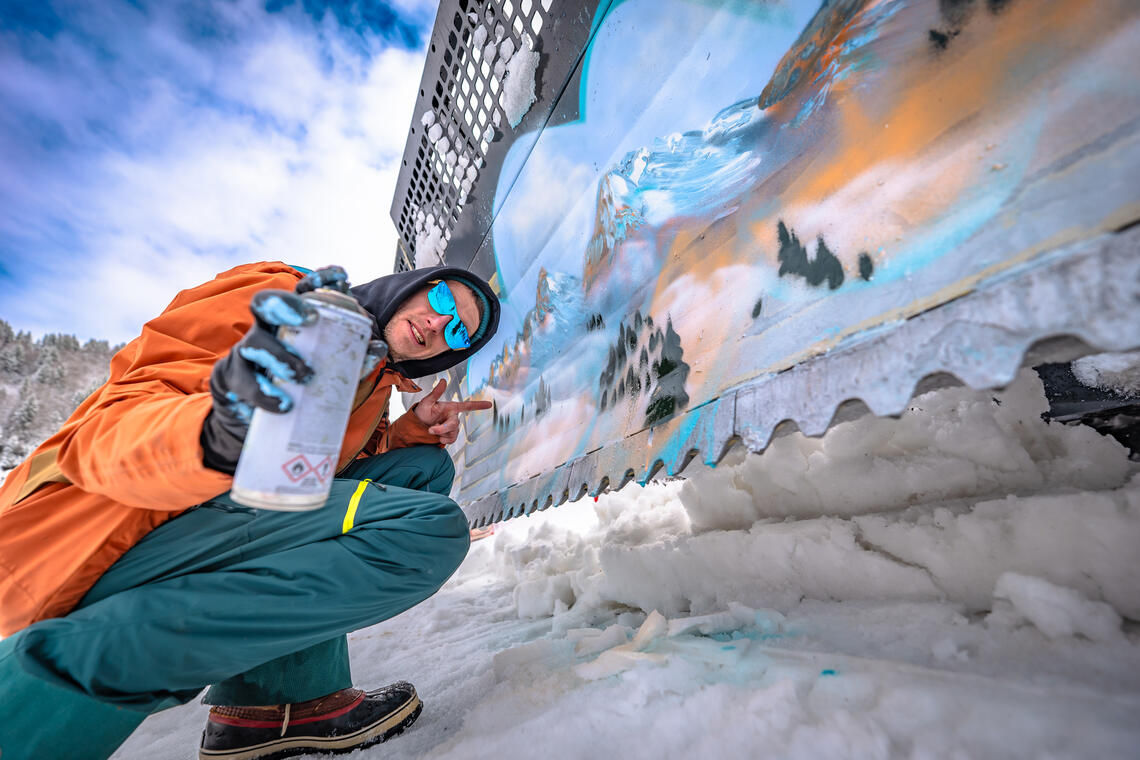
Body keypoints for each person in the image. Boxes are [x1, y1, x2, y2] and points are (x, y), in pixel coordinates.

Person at [0, 261, 500, 760]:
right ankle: (62, 674)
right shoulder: (287, 298)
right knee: (428, 530)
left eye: (456, 331)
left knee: (422, 471)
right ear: (414, 285)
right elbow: (128, 409)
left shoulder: (374, 374)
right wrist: (215, 430)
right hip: (104, 528)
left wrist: (401, 435)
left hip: (215, 516)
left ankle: (276, 703)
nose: (439, 325)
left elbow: (319, 472)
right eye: (440, 303)